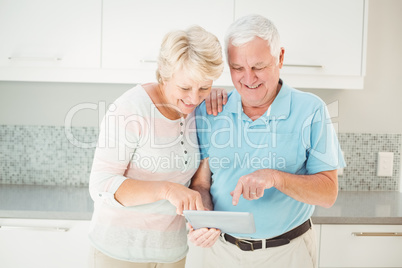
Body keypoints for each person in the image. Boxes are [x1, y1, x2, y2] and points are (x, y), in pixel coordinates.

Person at [188, 14, 346, 267]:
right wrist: (202, 217)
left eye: (258, 67)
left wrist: (275, 177)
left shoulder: (311, 110)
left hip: (287, 253)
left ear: (280, 57)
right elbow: (201, 184)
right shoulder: (211, 111)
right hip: (219, 253)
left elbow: (328, 193)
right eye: (238, 68)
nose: (248, 79)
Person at [88, 25, 225, 268]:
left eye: (204, 87)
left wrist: (203, 216)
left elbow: (197, 184)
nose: (194, 98)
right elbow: (100, 185)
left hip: (171, 254)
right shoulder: (130, 110)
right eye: (184, 88)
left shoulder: (200, 113)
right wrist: (167, 190)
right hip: (119, 253)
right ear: (164, 73)